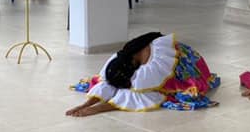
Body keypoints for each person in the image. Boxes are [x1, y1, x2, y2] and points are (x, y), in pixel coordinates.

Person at [66, 32, 219, 115]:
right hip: (145, 66)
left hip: (187, 63)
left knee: (139, 90)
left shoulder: (151, 70)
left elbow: (134, 94)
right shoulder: (122, 57)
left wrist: (96, 109)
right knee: (115, 83)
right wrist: (85, 104)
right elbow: (107, 82)